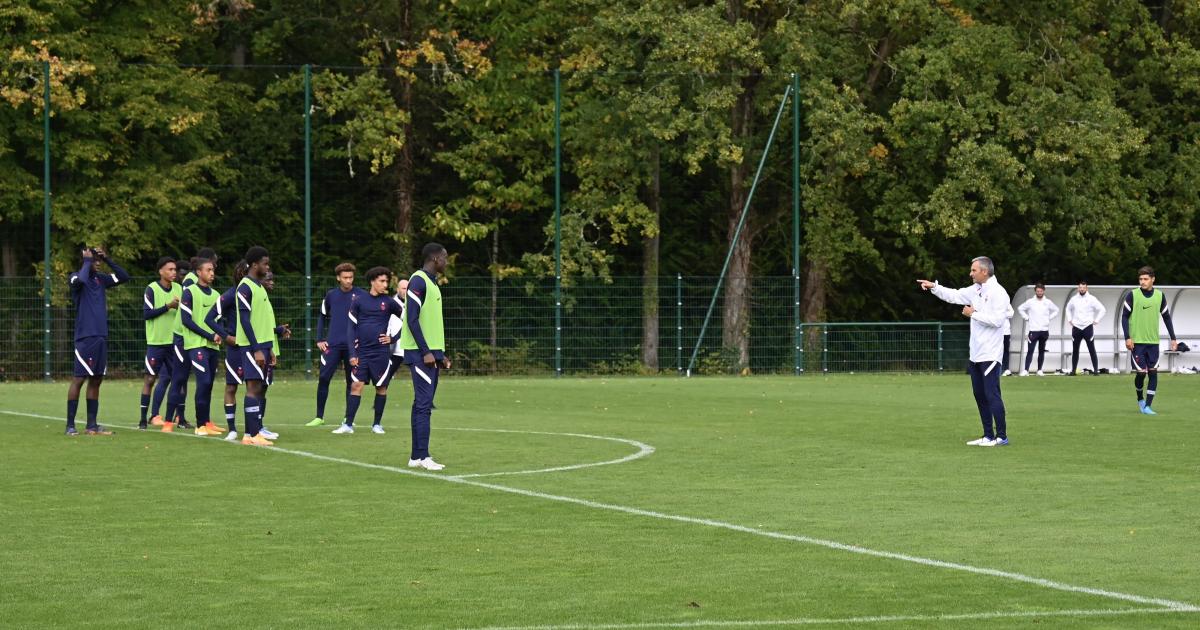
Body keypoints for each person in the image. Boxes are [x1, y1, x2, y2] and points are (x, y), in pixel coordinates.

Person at [918, 256, 1010, 447]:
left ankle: (1001, 436)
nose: (970, 273)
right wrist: (934, 287)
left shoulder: (998, 293)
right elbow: (955, 295)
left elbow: (998, 321)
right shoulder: (976, 289)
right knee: (979, 394)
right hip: (976, 353)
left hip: (991, 353)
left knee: (992, 394)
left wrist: (973, 314)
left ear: (984, 271)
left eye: (974, 270)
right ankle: (987, 435)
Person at [65, 246, 130, 435]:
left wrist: (108, 259)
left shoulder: (101, 280)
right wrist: (87, 261)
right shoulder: (75, 277)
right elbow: (81, 280)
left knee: (96, 380)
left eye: (99, 261)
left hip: (101, 336)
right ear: (85, 261)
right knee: (79, 379)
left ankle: (91, 425)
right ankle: (70, 425)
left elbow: (124, 276)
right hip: (85, 337)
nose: (98, 264)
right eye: (96, 261)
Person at [333, 267, 404, 435]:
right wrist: (352, 354)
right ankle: (348, 425)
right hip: (362, 352)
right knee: (356, 386)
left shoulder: (389, 302)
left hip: (381, 353)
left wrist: (393, 339)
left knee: (381, 387)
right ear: (372, 281)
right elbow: (351, 329)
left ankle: (377, 425)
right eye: (382, 281)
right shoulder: (358, 300)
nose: (385, 284)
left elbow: (408, 320)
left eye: (386, 281)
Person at [400, 244, 452, 468]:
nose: (446, 262)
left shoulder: (432, 283)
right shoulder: (418, 280)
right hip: (420, 354)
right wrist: (426, 352)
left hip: (431, 354)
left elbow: (430, 323)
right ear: (434, 258)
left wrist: (440, 354)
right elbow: (411, 319)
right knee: (423, 405)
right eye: (444, 257)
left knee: (422, 404)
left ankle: (415, 457)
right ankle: (423, 457)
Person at [177, 258, 231, 436]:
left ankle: (207, 422)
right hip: (196, 345)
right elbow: (186, 320)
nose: (212, 273)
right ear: (198, 272)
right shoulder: (189, 291)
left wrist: (221, 335)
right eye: (208, 270)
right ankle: (200, 426)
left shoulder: (216, 295)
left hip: (212, 347)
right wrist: (209, 335)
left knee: (208, 385)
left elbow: (218, 321)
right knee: (204, 381)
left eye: (213, 270)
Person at [308, 262, 365, 427]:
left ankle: (348, 419)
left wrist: (360, 338)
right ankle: (319, 417)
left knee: (351, 381)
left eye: (351, 277)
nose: (348, 280)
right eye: (345, 277)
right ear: (338, 278)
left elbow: (366, 319)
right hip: (332, 345)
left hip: (352, 347)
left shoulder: (361, 295)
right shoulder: (331, 295)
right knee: (324, 378)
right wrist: (319, 339)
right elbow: (321, 317)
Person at [236, 246, 278, 446]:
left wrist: (269, 348)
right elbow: (245, 321)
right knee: (252, 388)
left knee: (259, 387)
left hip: (264, 345)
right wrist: (257, 349)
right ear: (254, 265)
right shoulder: (245, 287)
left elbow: (263, 321)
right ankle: (253, 435)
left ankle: (250, 433)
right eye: (265, 263)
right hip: (252, 347)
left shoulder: (259, 286)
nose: (267, 267)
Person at [1121, 266, 1178, 415]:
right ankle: (1140, 398)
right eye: (1140, 279)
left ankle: (1147, 406)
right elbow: (1124, 317)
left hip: (1153, 342)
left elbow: (1166, 317)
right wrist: (1127, 337)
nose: (1142, 282)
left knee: (1153, 372)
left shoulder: (1160, 296)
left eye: (1145, 279)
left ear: (1153, 279)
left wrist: (1173, 338)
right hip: (1137, 342)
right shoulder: (1132, 295)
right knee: (1141, 373)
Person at [139, 257, 180, 430]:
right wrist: (168, 306)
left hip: (174, 342)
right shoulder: (152, 289)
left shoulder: (179, 288)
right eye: (169, 269)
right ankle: (144, 418)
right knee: (150, 379)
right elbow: (147, 314)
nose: (173, 272)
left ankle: (177, 417)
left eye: (175, 269)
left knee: (177, 380)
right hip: (156, 343)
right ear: (161, 271)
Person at [217, 260, 249, 442]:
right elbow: (210, 318)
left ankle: (255, 428)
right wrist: (226, 336)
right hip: (235, 349)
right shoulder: (230, 295)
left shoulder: (256, 293)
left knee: (256, 387)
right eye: (242, 272)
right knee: (231, 386)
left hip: (254, 347)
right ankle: (232, 429)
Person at [257, 271, 289, 440]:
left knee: (263, 388)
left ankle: (259, 425)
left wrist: (278, 330)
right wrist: (278, 330)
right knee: (259, 389)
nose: (272, 283)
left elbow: (266, 328)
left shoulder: (265, 300)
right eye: (269, 279)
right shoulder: (258, 299)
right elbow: (260, 328)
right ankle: (257, 426)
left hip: (268, 349)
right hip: (262, 350)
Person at [1065, 281, 1106, 376]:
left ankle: (1096, 371)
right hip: (1076, 327)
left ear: (1086, 288)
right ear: (1078, 288)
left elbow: (1102, 309)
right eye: (1080, 287)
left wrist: (1096, 320)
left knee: (1092, 349)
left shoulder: (1092, 299)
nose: (1082, 289)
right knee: (1075, 350)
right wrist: (1070, 319)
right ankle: (1073, 371)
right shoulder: (1074, 299)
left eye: (1084, 288)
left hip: (1088, 327)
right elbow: (1067, 308)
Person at [1017, 283, 1059, 376]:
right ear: (1035, 291)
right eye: (1038, 291)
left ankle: (1039, 369)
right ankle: (1026, 370)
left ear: (1043, 291)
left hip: (1044, 330)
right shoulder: (1031, 301)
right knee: (1030, 350)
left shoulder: (1047, 302)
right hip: (1033, 330)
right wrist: (1027, 318)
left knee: (1041, 350)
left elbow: (1056, 310)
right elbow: (1020, 309)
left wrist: (1049, 318)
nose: (1039, 292)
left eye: (1041, 291)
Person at [387, 277, 410, 379]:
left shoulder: (414, 303)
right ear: (398, 289)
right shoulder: (391, 303)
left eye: (408, 288)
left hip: (410, 345)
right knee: (386, 376)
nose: (406, 291)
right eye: (404, 288)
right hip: (395, 347)